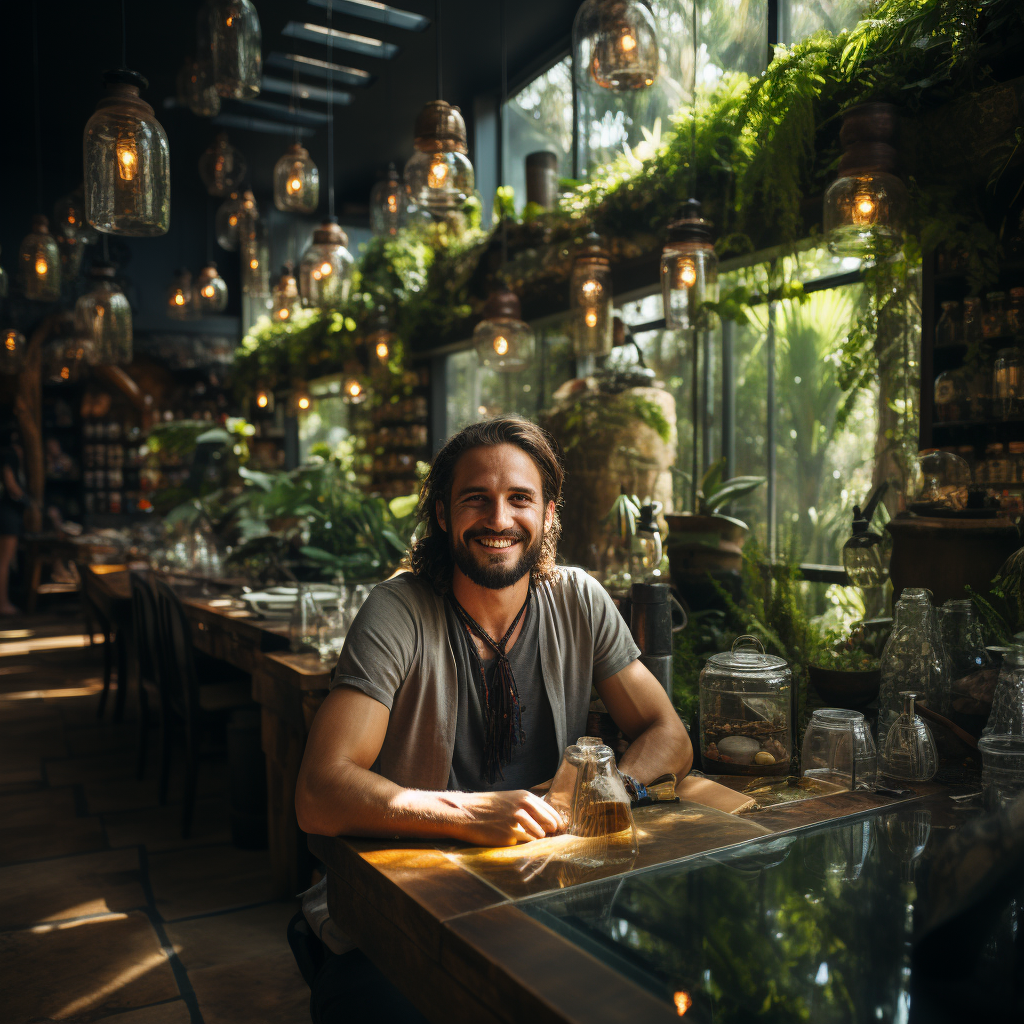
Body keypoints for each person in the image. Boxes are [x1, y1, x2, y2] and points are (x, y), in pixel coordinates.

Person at [294, 417, 691, 1023]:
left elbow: (669, 736)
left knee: (658, 990)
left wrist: (607, 792)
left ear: (549, 513)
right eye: (475, 499)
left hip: (548, 891)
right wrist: (472, 811)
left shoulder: (579, 600)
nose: (499, 520)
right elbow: (319, 792)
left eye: (520, 499)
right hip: (406, 902)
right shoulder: (397, 612)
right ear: (443, 515)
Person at [0, 427, 28, 616]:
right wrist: (28, 501)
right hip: (7, 513)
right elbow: (11, 484)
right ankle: (2, 603)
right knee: (4, 562)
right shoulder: (8, 456)